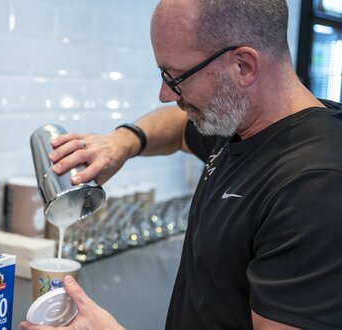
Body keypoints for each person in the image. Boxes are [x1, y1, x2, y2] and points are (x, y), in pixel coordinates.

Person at [20, 0, 342, 329]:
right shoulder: (239, 121)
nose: (165, 94)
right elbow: (177, 129)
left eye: (175, 78)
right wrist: (123, 142)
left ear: (243, 66)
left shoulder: (314, 186)